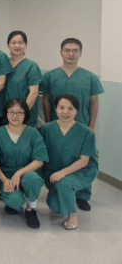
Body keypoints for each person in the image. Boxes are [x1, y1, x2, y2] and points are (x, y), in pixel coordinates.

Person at [40, 95, 98, 230]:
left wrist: (63, 172)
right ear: (55, 109)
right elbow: (41, 154)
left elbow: (84, 161)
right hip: (53, 171)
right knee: (55, 206)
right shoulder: (46, 129)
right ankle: (65, 195)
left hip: (81, 170)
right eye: (61, 108)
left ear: (76, 111)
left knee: (64, 182)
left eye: (70, 108)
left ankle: (73, 215)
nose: (65, 112)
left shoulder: (86, 132)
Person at [0, 99, 48, 229]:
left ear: (25, 114)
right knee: (14, 202)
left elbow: (40, 160)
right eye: (11, 112)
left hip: (29, 172)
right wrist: (4, 180)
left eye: (19, 112)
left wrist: (19, 173)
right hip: (7, 175)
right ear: (6, 113)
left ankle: (31, 209)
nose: (15, 115)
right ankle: (15, 201)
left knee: (31, 178)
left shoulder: (33, 133)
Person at [41, 38, 104, 132]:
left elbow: (94, 103)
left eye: (75, 51)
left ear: (80, 53)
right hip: (56, 125)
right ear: (61, 53)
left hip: (82, 124)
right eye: (67, 50)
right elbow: (46, 101)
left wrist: (91, 127)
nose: (71, 54)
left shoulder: (90, 77)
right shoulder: (49, 76)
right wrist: (47, 123)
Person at [3, 31, 43, 128]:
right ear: (8, 44)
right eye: (13, 42)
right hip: (4, 114)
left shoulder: (31, 66)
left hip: (25, 116)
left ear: (25, 45)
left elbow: (33, 93)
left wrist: (21, 114)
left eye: (20, 43)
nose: (17, 46)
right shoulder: (3, 63)